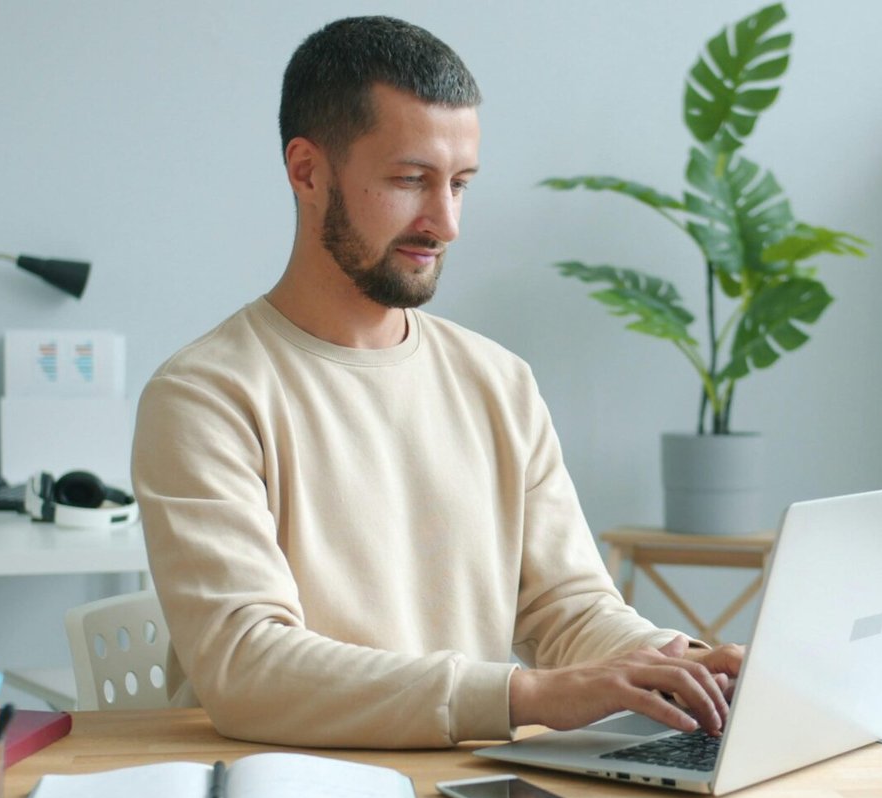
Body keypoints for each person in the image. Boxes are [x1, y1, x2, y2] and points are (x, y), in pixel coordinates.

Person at [132, 15, 742, 749]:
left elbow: (570, 607)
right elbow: (247, 665)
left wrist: (684, 666)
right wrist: (525, 694)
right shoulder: (204, 396)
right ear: (307, 171)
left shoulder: (498, 382)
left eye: (459, 183)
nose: (445, 222)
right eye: (410, 180)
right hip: (290, 796)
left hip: (471, 790)